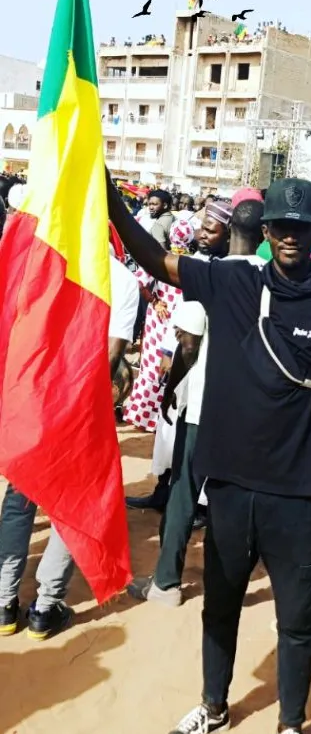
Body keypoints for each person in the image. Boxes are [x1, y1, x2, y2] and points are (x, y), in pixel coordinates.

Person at [107, 172, 311, 734]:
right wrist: (107, 197)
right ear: (265, 229)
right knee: (220, 605)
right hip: (228, 487)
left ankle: (288, 724)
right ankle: (213, 705)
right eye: (281, 225)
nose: (289, 236)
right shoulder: (232, 281)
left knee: (297, 623)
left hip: (300, 495)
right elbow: (155, 259)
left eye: (301, 228)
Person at [128, 196, 266, 607]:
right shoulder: (277, 278)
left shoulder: (207, 276)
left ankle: (167, 582)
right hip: (251, 410)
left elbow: (188, 345)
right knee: (236, 502)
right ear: (263, 235)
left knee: (184, 493)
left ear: (229, 233)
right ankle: (229, 586)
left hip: (204, 405)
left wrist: (171, 392)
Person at [0, 246, 138, 641]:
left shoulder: (42, 258)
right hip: (80, 406)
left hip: (32, 398)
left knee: (19, 499)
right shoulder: (122, 279)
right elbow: (113, 355)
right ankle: (45, 608)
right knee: (71, 505)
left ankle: (4, 602)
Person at [125, 204, 232, 510]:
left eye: (211, 230)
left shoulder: (229, 271)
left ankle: (196, 506)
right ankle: (162, 493)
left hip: (207, 364)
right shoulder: (193, 263)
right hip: (180, 356)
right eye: (202, 227)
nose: (202, 234)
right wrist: (168, 353)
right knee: (169, 430)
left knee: (198, 437)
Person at [123, 219, 193, 432]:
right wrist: (156, 301)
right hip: (178, 320)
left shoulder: (163, 258)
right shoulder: (192, 263)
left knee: (151, 368)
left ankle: (142, 415)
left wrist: (154, 301)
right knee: (169, 370)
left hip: (160, 317)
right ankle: (158, 419)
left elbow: (139, 282)